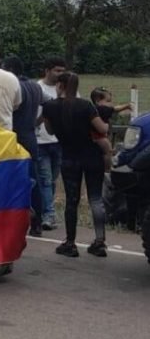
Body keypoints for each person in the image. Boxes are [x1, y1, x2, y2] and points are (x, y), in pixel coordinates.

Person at [41, 72, 109, 258]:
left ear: (60, 85)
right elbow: (102, 128)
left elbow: (49, 129)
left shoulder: (50, 107)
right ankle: (100, 242)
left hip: (69, 156)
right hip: (91, 155)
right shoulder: (85, 105)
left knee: (72, 200)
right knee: (95, 198)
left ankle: (70, 242)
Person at [2, 55, 44, 236]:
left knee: (11, 182)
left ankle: (14, 219)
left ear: (9, 70)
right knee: (34, 181)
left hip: (16, 138)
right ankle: (38, 221)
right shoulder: (35, 86)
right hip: (31, 137)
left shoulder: (15, 87)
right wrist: (37, 122)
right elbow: (48, 104)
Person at [36, 56, 67, 230]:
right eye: (57, 70)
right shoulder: (37, 88)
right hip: (41, 141)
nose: (60, 74)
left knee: (53, 180)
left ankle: (45, 210)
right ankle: (48, 214)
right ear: (47, 71)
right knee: (45, 179)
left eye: (63, 71)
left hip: (59, 141)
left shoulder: (68, 89)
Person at [89, 87, 133, 172]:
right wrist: (127, 106)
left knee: (106, 149)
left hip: (96, 134)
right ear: (98, 101)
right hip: (98, 135)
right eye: (108, 101)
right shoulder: (102, 109)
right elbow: (116, 109)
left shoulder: (94, 108)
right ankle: (107, 169)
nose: (111, 103)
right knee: (107, 150)